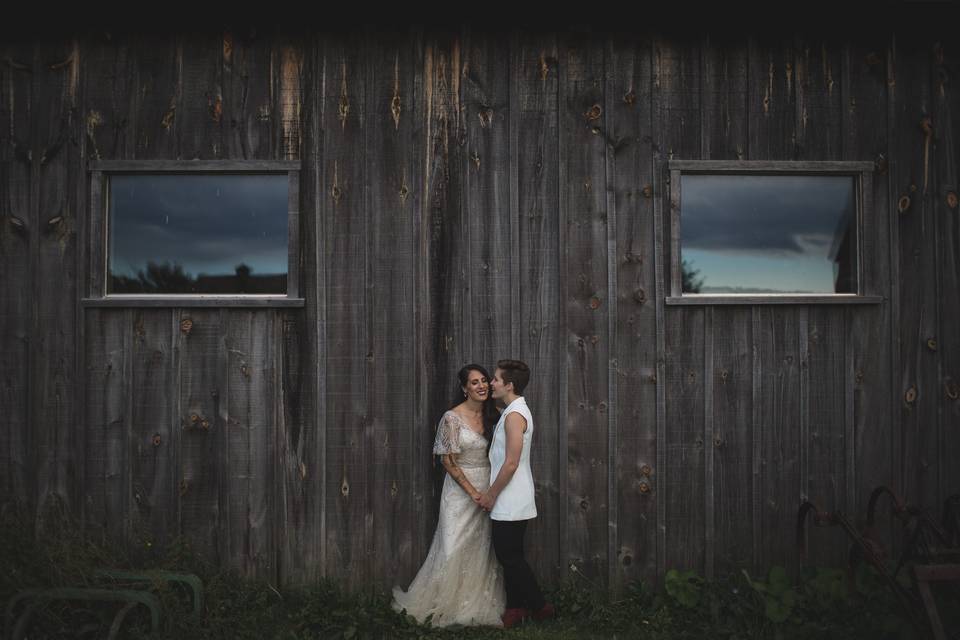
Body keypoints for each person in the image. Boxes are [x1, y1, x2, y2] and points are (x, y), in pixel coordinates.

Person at [392, 364, 506, 627]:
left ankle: (475, 603)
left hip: (489, 488)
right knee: (453, 544)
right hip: (460, 491)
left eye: (484, 381)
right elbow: (448, 461)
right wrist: (473, 493)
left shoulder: (496, 415)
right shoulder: (452, 418)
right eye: (474, 382)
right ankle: (443, 604)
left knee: (482, 547)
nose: (481, 386)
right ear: (464, 388)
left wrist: (488, 493)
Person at [477, 359, 555, 628]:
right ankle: (515, 608)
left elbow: (511, 462)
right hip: (511, 497)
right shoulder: (513, 410)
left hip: (510, 497)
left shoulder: (514, 416)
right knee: (511, 556)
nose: (491, 383)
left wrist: (490, 494)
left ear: (509, 385)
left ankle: (540, 607)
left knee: (508, 557)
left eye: (496, 379)